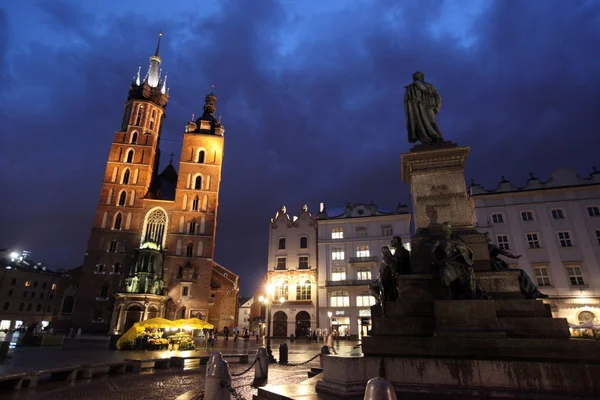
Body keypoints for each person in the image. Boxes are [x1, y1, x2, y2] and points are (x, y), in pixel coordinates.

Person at [429, 222, 488, 299]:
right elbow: (431, 252)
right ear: (443, 230)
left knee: (468, 271)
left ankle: (469, 292)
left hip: (456, 263)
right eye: (446, 228)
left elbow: (468, 251)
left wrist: (461, 248)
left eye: (449, 228)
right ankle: (449, 292)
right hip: (446, 262)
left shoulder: (457, 240)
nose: (448, 230)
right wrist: (439, 262)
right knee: (445, 271)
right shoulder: (440, 241)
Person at [404, 71, 444, 144]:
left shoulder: (429, 86)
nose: (415, 78)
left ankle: (437, 137)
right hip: (416, 109)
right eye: (414, 77)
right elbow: (407, 100)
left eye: (417, 76)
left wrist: (437, 107)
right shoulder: (411, 87)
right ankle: (425, 139)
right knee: (420, 124)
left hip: (428, 107)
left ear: (422, 77)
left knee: (431, 122)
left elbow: (437, 96)